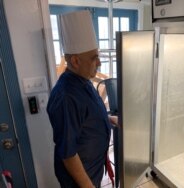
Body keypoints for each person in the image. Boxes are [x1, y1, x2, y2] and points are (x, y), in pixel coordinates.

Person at [47, 10, 117, 188]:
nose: (100, 63)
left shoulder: (82, 80)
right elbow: (68, 154)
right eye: (95, 58)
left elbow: (85, 117)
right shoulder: (66, 97)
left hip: (92, 168)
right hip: (79, 178)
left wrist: (109, 119)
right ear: (76, 61)